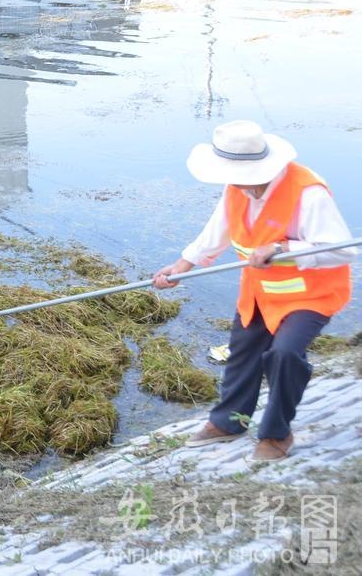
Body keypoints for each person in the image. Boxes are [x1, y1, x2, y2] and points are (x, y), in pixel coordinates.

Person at [152, 120, 355, 462]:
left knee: (284, 354)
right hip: (261, 291)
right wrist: (181, 267)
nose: (229, 178)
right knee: (242, 351)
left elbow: (344, 250)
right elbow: (216, 232)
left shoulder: (307, 192)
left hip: (309, 295)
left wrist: (284, 247)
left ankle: (277, 434)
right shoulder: (237, 188)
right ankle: (229, 422)